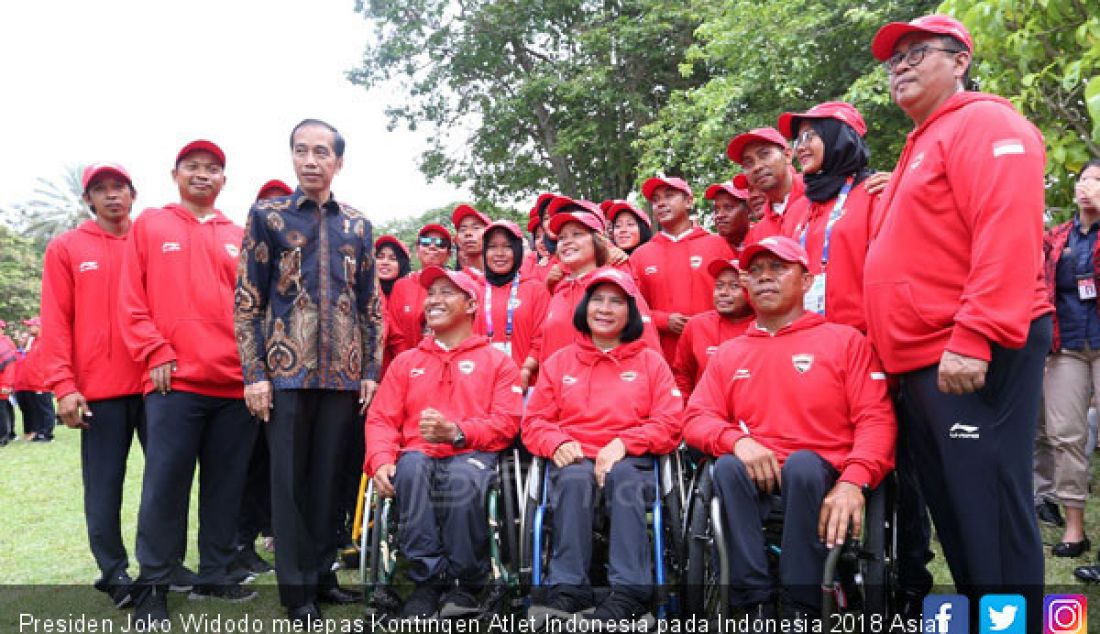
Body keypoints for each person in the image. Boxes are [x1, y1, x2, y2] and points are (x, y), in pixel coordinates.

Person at [864, 14, 1051, 615]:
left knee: (990, 514)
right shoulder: (925, 141)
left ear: (960, 60)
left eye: (918, 53)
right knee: (960, 517)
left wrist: (975, 334)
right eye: (895, 60)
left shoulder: (987, 122)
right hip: (926, 359)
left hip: (969, 350)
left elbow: (1007, 232)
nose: (902, 66)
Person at [683, 236, 895, 623]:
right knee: (727, 466)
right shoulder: (729, 353)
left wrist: (853, 480)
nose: (765, 278)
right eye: (756, 271)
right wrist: (738, 440)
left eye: (778, 268)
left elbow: (875, 420)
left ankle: (804, 605)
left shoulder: (845, 341)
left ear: (807, 280)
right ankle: (752, 604)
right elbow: (696, 419)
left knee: (801, 466)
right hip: (752, 475)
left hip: (823, 473)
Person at [235, 119, 382, 625]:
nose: (311, 160)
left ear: (338, 162)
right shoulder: (268, 217)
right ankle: (296, 595)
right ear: (292, 158)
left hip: (343, 377)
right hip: (286, 375)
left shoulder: (358, 225)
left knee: (330, 481)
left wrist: (371, 369)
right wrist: (255, 374)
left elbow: (371, 306)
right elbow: (248, 301)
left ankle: (323, 576)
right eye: (302, 151)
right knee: (290, 485)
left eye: (322, 152)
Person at [122, 139, 258, 627]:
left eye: (214, 169)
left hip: (234, 383)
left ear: (224, 180)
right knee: (165, 486)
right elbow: (130, 298)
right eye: (193, 167)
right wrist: (155, 349)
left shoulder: (239, 233)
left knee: (225, 486)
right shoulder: (151, 225)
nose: (203, 175)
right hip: (174, 381)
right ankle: (153, 585)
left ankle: (216, 574)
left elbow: (255, 308)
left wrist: (256, 370)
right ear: (175, 174)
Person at [523, 268, 683, 625]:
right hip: (574, 456)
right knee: (574, 478)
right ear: (584, 308)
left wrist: (625, 442)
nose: (605, 308)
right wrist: (556, 440)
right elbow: (534, 422)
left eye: (616, 301)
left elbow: (671, 422)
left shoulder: (650, 363)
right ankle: (568, 591)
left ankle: (630, 595)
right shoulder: (559, 362)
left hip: (632, 461)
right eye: (597, 299)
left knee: (624, 477)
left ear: (630, 312)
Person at [365, 266, 522, 619]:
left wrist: (458, 432)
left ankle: (465, 584)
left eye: (445, 293)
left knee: (463, 478)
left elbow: (507, 422)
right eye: (431, 293)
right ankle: (428, 582)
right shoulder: (407, 362)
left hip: (472, 450)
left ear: (470, 305)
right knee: (410, 469)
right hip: (417, 452)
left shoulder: (498, 361)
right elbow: (381, 420)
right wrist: (380, 459)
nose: (433, 300)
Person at [36, 162, 148, 607]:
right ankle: (114, 570)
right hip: (98, 392)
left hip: (153, 386)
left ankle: (161, 564)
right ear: (88, 200)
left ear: (133, 193)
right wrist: (63, 385)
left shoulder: (149, 240)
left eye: (119, 187)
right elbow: (55, 322)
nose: (112, 195)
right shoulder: (66, 247)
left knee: (165, 483)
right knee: (104, 486)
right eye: (101, 190)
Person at [229, 180, 297, 583]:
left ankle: (273, 533)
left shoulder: (297, 254)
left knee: (278, 465)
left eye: (280, 203)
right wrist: (252, 371)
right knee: (245, 464)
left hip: (288, 378)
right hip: (247, 374)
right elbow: (244, 311)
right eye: (266, 203)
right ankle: (241, 542)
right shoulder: (247, 249)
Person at [1033, 160, 1100, 561]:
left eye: (1096, 181)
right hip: (1067, 347)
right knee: (1065, 436)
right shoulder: (1056, 238)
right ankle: (1074, 530)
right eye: (1082, 180)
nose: (1086, 188)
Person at [777, 102, 875, 331]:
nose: (800, 148)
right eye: (798, 139)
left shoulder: (875, 194)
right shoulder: (797, 209)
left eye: (809, 136)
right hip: (804, 341)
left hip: (863, 340)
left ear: (838, 138)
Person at [538, 199, 660, 362]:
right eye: (561, 237)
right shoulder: (559, 289)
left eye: (577, 234)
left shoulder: (616, 283)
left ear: (598, 240)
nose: (567, 241)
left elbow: (648, 346)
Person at [631, 177, 735, 364]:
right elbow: (633, 309)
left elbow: (739, 299)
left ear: (688, 201)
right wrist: (663, 320)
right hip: (664, 359)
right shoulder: (640, 256)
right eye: (655, 200)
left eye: (669, 196)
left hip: (716, 353)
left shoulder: (718, 246)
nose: (661, 203)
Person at [474, 220, 550, 392]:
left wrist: (526, 369)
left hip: (526, 384)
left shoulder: (535, 289)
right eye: (492, 247)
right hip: (480, 385)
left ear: (517, 250)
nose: (499, 253)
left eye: (507, 247)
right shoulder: (472, 290)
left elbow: (541, 338)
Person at [672, 258, 753, 402]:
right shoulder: (696, 325)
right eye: (719, 286)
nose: (723, 292)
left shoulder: (764, 325)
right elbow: (682, 376)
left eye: (734, 286)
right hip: (706, 415)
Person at [726, 128, 805, 242]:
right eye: (748, 163)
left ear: (787, 155)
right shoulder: (755, 237)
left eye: (764, 154)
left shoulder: (822, 193)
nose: (757, 167)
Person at [388, 223, 455, 356]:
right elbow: (394, 332)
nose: (432, 246)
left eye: (441, 243)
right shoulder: (402, 286)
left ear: (449, 254)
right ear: (417, 250)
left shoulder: (459, 285)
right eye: (425, 242)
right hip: (409, 364)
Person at [376, 234, 412, 378]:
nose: (385, 262)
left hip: (405, 371)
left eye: (393, 258)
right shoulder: (360, 293)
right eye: (380, 257)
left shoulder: (412, 293)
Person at [13, 317, 55, 442]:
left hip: (42, 383)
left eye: (31, 325)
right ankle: (40, 432)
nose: (29, 328)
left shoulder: (45, 342)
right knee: (38, 410)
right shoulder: (35, 342)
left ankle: (47, 434)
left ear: (39, 326)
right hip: (33, 384)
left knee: (46, 410)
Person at [704, 182, 752, 255]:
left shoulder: (764, 237)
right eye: (716, 210)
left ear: (748, 210)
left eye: (728, 208)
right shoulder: (709, 249)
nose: (719, 215)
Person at [453, 204, 491, 275]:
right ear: (457, 240)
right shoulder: (450, 280)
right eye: (462, 229)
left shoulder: (512, 276)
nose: (468, 233)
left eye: (476, 228)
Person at [0, 320, 15, 445]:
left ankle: (3, 437)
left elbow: (10, 368)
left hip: (2, 385)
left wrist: (6, 385)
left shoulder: (4, 346)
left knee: (1, 410)